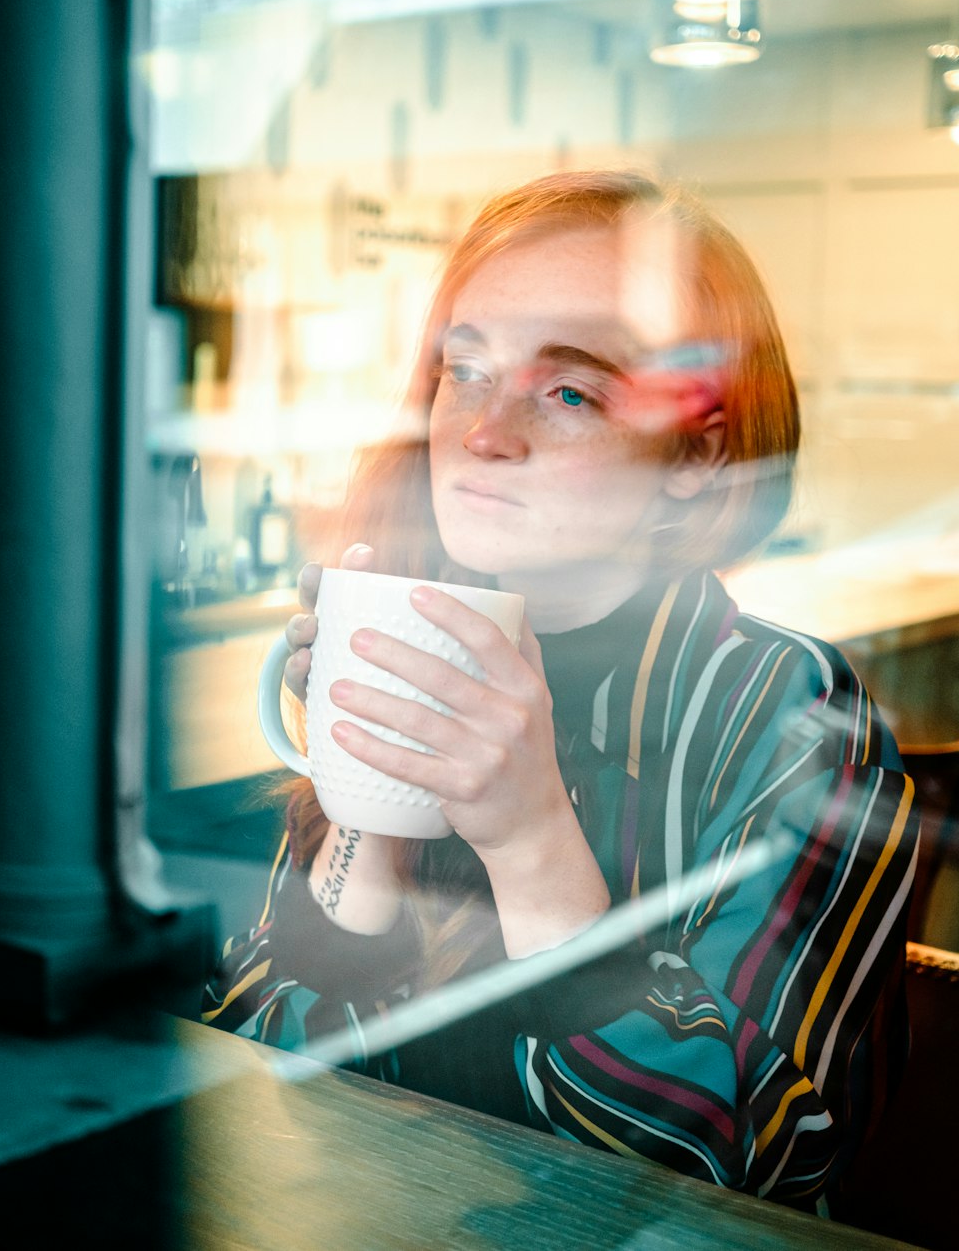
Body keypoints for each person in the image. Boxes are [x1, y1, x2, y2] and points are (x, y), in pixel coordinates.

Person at [202, 170, 917, 1210]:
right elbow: (254, 1052)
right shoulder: (410, 638)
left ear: (693, 458)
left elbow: (732, 1157)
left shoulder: (799, 718)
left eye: (569, 391)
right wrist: (369, 800)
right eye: (465, 370)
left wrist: (528, 835)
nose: (482, 434)